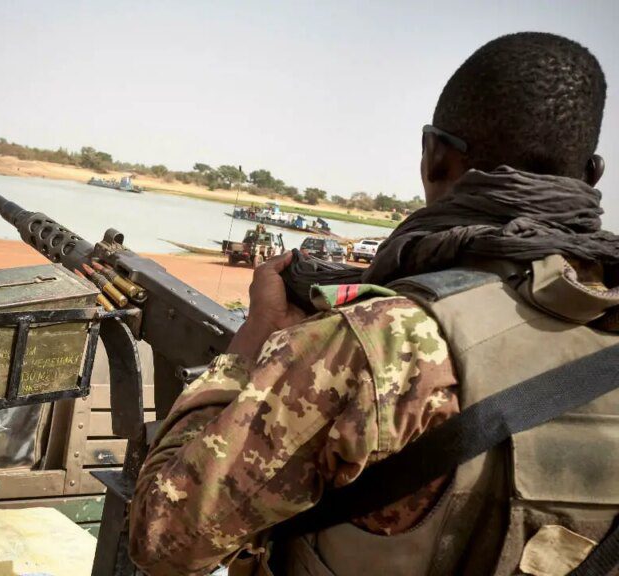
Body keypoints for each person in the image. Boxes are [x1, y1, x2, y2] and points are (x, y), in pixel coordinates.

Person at [129, 32, 619, 576]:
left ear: (435, 157)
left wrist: (250, 345)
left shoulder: (381, 343)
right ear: (592, 175)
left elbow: (164, 537)